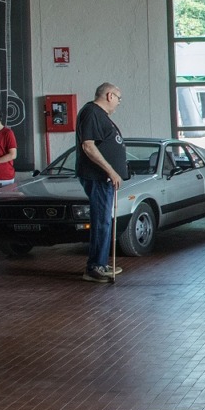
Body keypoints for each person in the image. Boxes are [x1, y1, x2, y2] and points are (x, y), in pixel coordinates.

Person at [75, 83, 127, 284]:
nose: (119, 103)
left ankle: (101, 263)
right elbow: (88, 146)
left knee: (105, 221)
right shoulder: (91, 112)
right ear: (109, 95)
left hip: (103, 178)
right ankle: (95, 267)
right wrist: (111, 171)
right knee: (101, 221)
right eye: (118, 98)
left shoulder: (99, 115)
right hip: (97, 177)